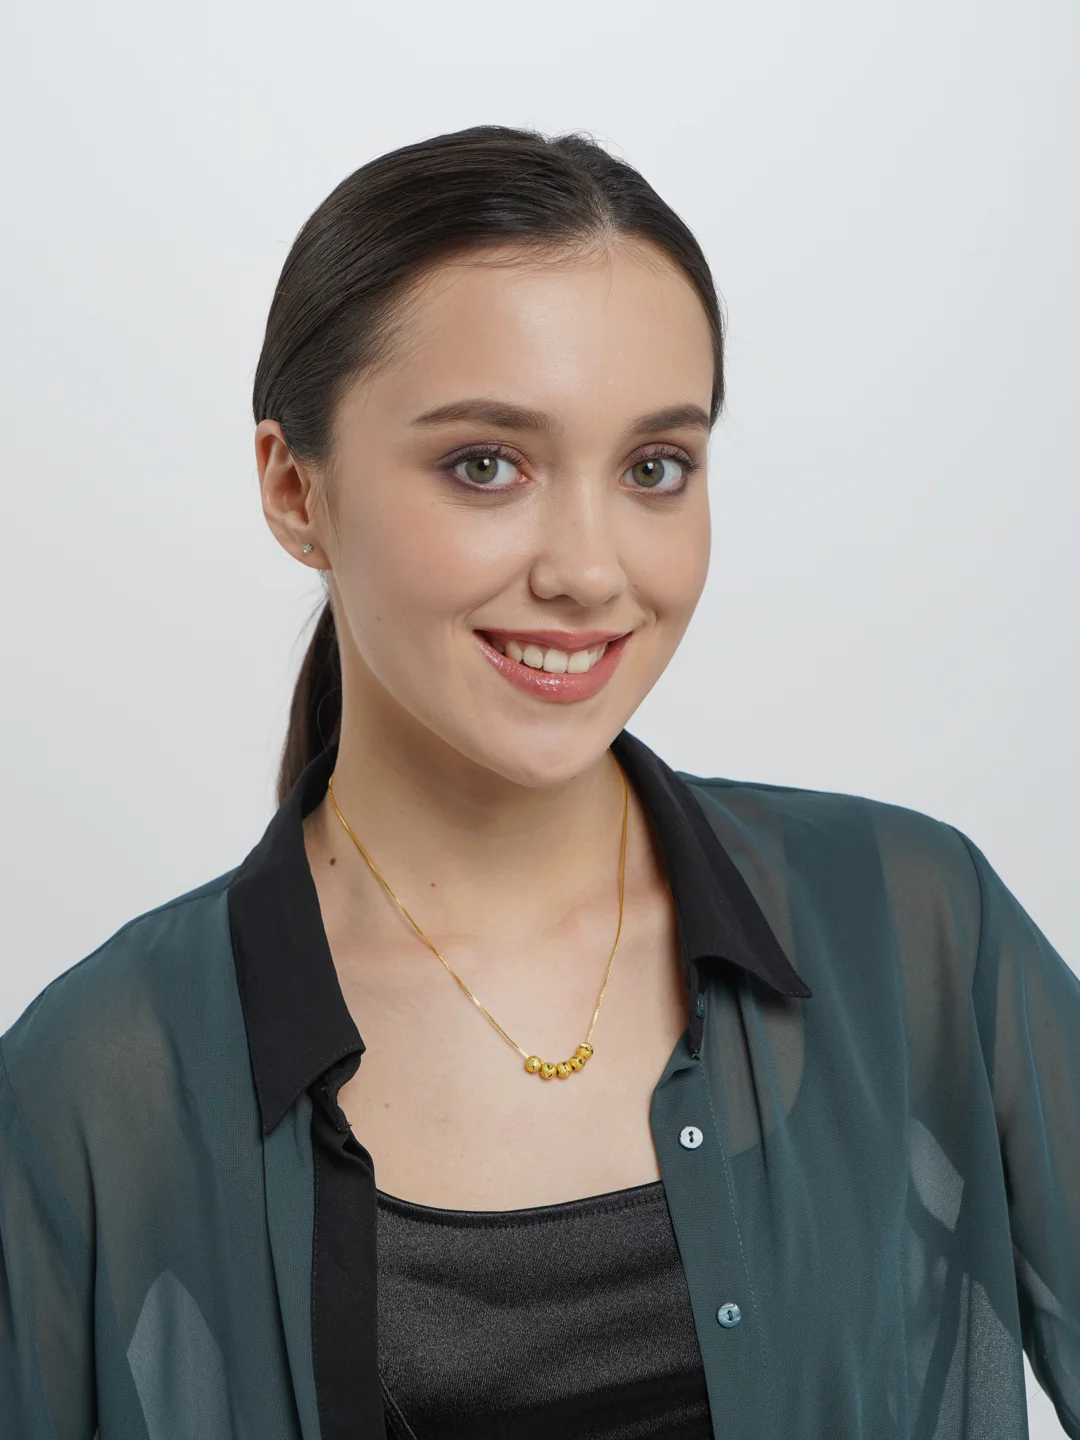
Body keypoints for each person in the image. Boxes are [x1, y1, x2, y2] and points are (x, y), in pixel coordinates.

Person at [1, 124, 1077, 1440]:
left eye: (655, 469)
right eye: (486, 465)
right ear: (294, 490)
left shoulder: (914, 931)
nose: (588, 570)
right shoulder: (100, 1081)